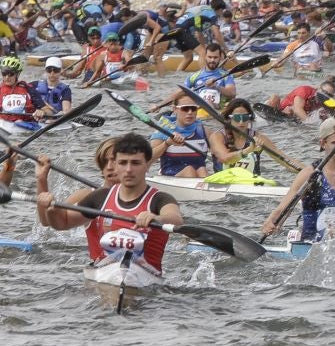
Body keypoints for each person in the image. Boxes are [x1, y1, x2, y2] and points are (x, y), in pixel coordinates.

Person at [36, 136, 183, 278]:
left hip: (146, 275)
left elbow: (176, 219)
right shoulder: (95, 197)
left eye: (135, 163)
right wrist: (49, 202)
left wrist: (156, 218)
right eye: (121, 163)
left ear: (146, 165)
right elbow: (58, 222)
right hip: (102, 270)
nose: (127, 169)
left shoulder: (159, 199)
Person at [151, 94, 213, 179]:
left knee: (202, 170)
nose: (190, 112)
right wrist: (166, 144)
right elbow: (149, 158)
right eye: (185, 108)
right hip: (170, 177)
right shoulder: (163, 130)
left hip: (199, 176)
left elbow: (220, 156)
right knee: (189, 170)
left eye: (193, 109)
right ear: (175, 109)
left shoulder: (205, 131)